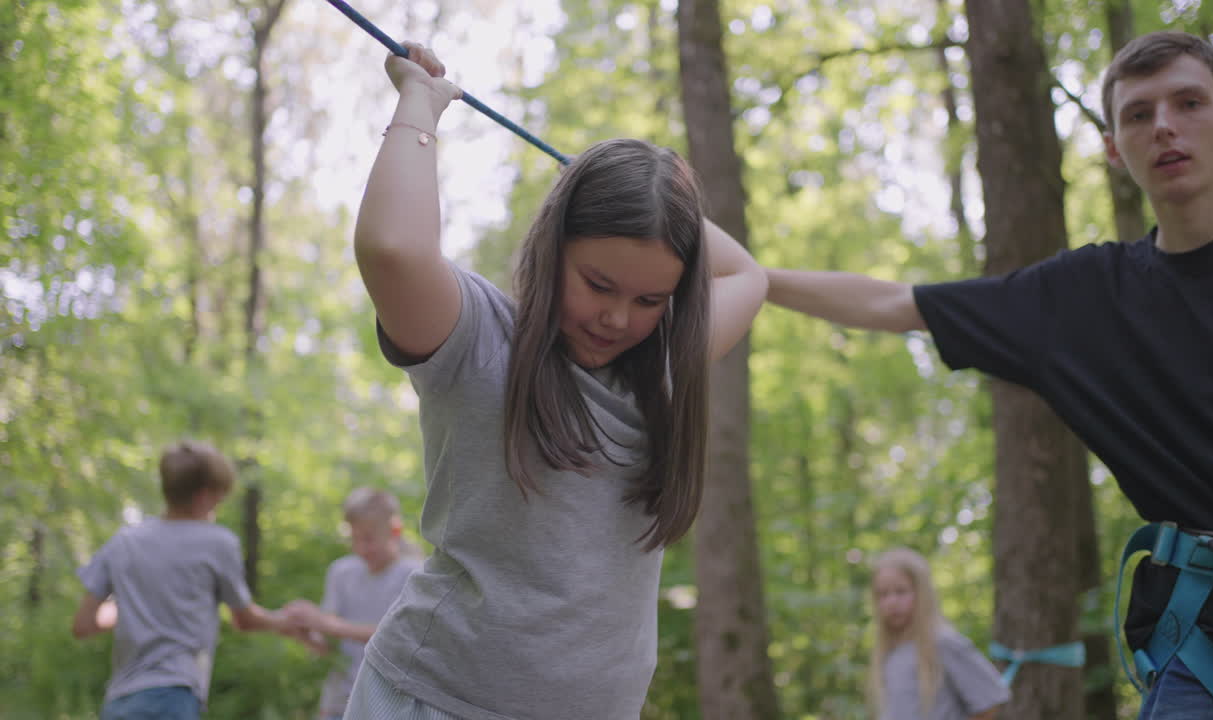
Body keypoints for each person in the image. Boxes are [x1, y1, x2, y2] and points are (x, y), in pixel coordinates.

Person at [765, 30, 1213, 717]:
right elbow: (895, 303)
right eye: (1138, 114)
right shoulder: (1084, 298)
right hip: (1207, 641)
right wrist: (754, 278)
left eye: (1188, 103)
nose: (1164, 126)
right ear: (1112, 147)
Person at [344, 41, 767, 720]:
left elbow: (748, 274)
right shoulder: (479, 341)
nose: (618, 317)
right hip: (435, 700)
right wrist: (419, 101)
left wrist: (653, 191)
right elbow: (392, 249)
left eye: (650, 299)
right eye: (598, 283)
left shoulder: (662, 371)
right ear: (553, 245)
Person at [72, 440, 297, 720]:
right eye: (218, 499)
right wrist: (287, 621)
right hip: (173, 697)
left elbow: (83, 625)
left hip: (119, 702)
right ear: (203, 496)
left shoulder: (123, 542)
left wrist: (134, 606)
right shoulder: (217, 543)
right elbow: (244, 620)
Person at [283, 487, 420, 720]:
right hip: (339, 703)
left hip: (390, 706)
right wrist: (305, 632)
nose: (360, 548)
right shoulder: (341, 572)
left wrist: (327, 624)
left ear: (395, 530)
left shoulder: (413, 575)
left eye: (368, 538)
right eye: (354, 538)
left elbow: (399, 638)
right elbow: (328, 647)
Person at [870, 548, 1008, 720]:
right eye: (883, 594)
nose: (891, 602)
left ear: (922, 593)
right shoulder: (890, 651)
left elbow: (990, 703)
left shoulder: (943, 642)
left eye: (901, 591)